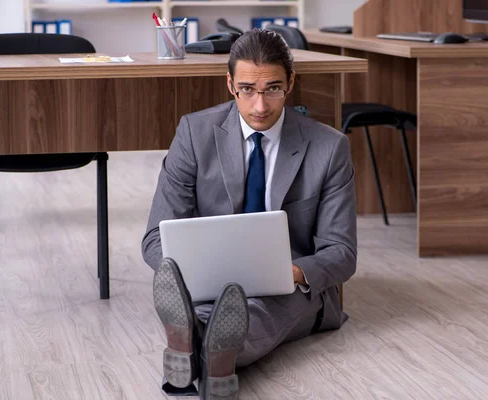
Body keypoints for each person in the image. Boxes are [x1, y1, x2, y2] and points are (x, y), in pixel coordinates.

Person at [142, 28, 357, 400]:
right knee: (225, 301)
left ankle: (191, 345)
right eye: (247, 90)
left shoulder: (329, 147)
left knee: (264, 304)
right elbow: (154, 238)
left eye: (272, 89)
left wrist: (292, 272)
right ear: (230, 84)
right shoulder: (194, 133)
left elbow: (341, 252)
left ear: (291, 83)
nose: (260, 106)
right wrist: (191, 269)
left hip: (293, 284)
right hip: (208, 281)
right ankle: (218, 361)